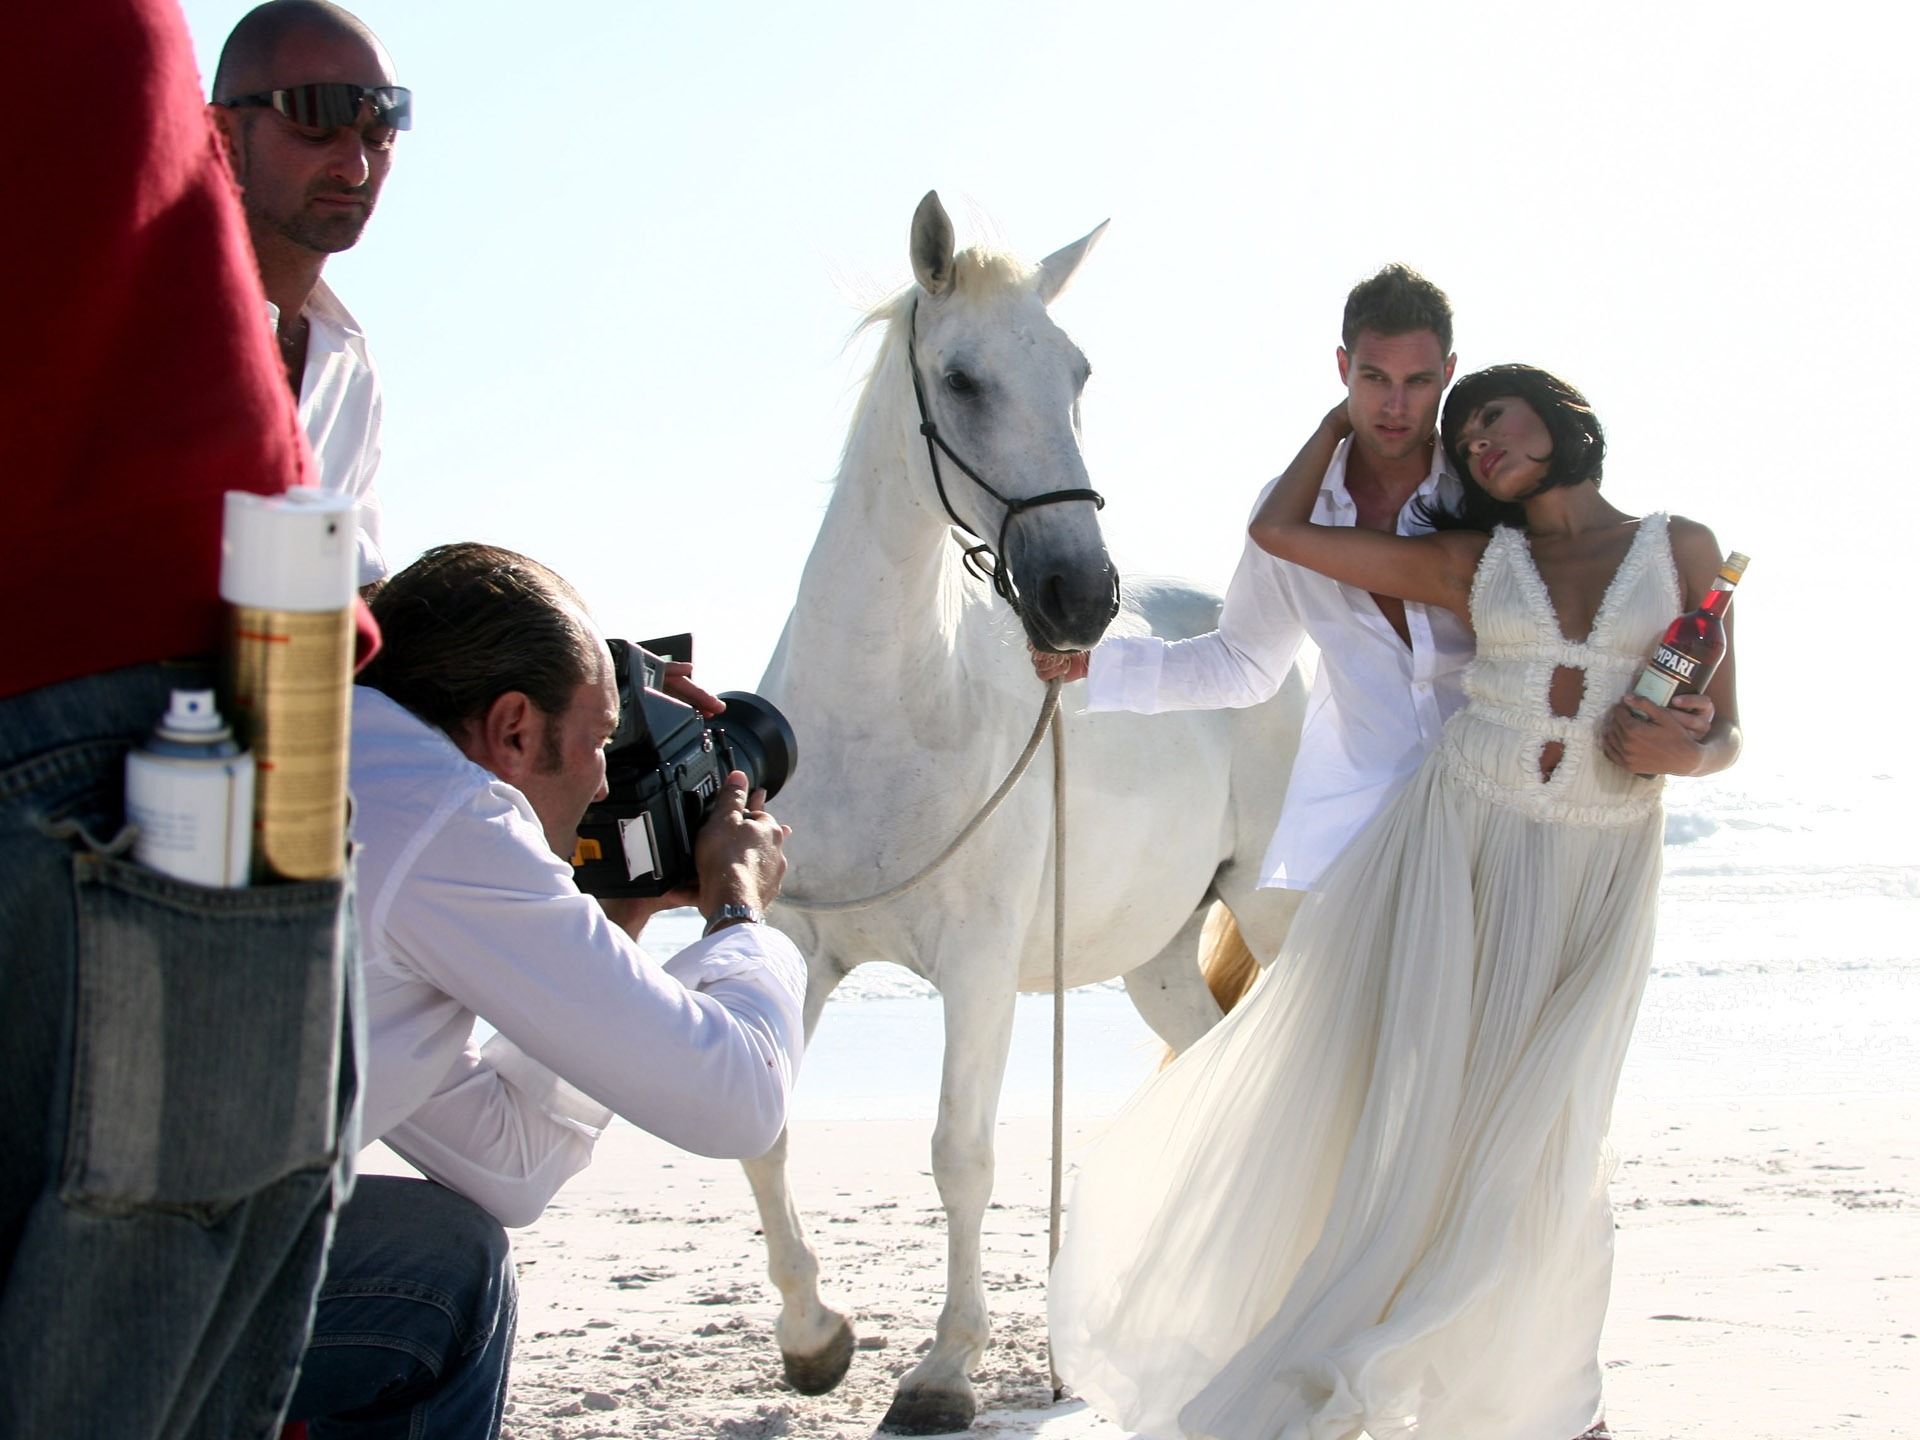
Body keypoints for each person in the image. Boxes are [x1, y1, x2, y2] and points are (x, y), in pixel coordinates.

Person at [1047, 365, 1742, 1440]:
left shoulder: (1683, 550)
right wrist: (1337, 424)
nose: (1477, 445)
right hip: (1461, 849)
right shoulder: (1479, 558)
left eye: (1489, 416)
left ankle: (1548, 1401)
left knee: (1552, 1138)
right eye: (1462, 441)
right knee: (1436, 1131)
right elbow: (1281, 536)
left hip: (1600, 871)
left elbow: (1725, 731)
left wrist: (1687, 751)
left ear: (1556, 414)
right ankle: (1521, 1401)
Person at [3, 2, 359, 1436]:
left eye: (381, 114)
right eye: (320, 110)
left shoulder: (352, 368)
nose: (357, 146)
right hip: (164, 671)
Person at [282, 542, 807, 1438]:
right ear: (514, 729)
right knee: (442, 1284)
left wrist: (618, 921)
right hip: (128, 1296)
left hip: (73, 1238)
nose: (607, 780)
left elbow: (507, 1166)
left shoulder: (342, 754)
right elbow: (742, 1101)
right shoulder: (448, 818)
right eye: (602, 740)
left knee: (446, 1253)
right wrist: (736, 907)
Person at [1033, 264, 1474, 894]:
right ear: (1343, 366)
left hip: (1502, 818)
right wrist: (1094, 666)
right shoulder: (1293, 508)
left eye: (1419, 381)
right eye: (1375, 378)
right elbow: (1245, 663)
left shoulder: (1485, 492)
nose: (1396, 406)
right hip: (1365, 838)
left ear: (1448, 374)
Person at [210, 0, 402, 588]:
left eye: (380, 133)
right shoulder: (134, 324)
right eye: (315, 123)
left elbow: (354, 602)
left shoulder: (351, 368)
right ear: (222, 135)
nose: (355, 167)